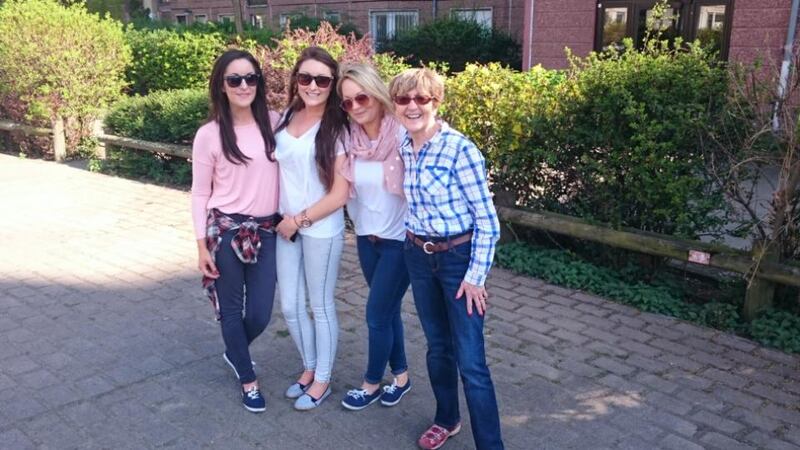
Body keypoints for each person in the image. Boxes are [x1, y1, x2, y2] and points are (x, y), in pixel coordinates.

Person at [389, 68, 504, 449]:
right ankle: (446, 419)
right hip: (419, 257)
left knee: (471, 362)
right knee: (437, 347)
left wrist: (475, 277)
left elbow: (488, 221)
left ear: (436, 102)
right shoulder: (405, 146)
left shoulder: (460, 149)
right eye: (404, 99)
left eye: (421, 98)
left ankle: (490, 444)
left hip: (458, 261)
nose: (412, 106)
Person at [191, 49, 281, 413]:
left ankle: (234, 351)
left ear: (259, 82)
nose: (244, 85)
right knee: (231, 311)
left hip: (267, 231)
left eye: (251, 78)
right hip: (226, 232)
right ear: (221, 86)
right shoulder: (209, 135)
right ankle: (248, 379)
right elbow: (199, 192)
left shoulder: (276, 122)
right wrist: (200, 247)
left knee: (260, 313)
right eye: (234, 79)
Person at [273, 46, 349, 411]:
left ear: (332, 84)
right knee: (289, 307)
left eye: (322, 79)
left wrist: (299, 220)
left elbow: (339, 194)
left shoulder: (337, 126)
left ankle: (323, 380)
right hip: (285, 226)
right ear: (296, 81)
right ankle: (308, 367)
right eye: (306, 78)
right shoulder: (288, 114)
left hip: (320, 227)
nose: (313, 86)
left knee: (319, 306)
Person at [336, 63, 412, 411]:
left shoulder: (401, 135)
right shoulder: (349, 139)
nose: (355, 107)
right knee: (387, 310)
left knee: (376, 314)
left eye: (361, 97)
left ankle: (370, 384)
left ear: (377, 95)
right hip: (367, 239)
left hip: (400, 241)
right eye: (347, 102)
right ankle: (401, 377)